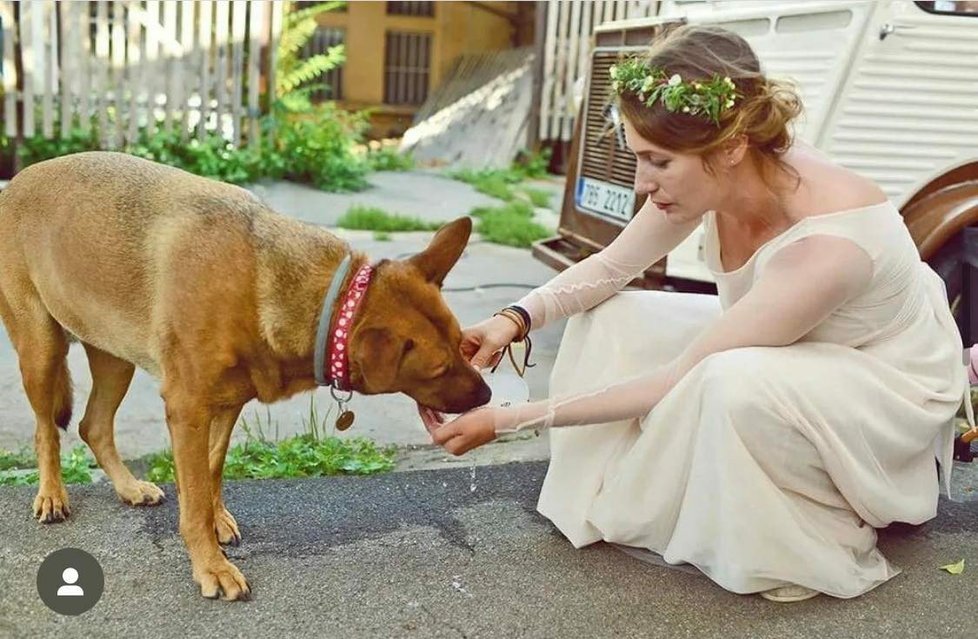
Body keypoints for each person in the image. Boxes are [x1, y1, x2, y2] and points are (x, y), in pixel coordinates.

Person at [418, 24, 969, 603]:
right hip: (791, 347)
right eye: (637, 158)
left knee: (728, 381)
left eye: (657, 162)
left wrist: (509, 420)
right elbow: (611, 266)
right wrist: (513, 319)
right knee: (615, 316)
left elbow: (676, 380)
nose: (641, 182)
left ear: (730, 147)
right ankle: (620, 494)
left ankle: (812, 506)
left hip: (885, 391)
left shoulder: (829, 246)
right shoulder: (720, 172)